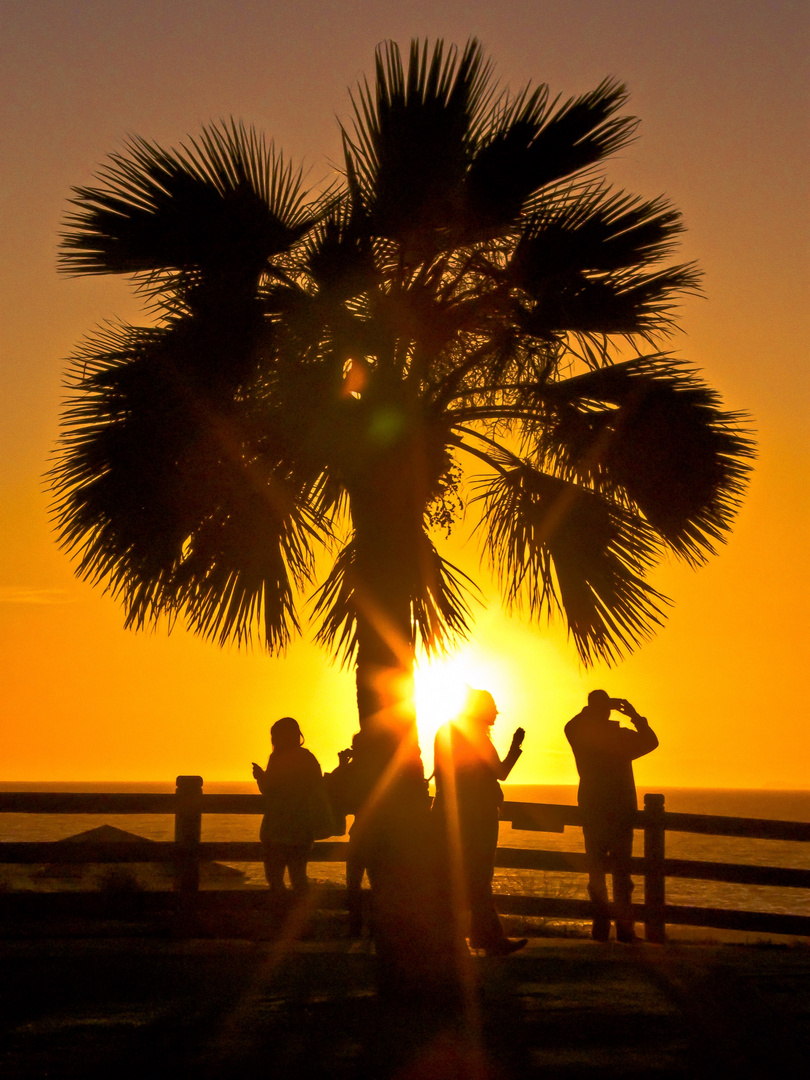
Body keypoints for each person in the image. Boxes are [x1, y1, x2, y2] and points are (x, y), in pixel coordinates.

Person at [432, 687, 528, 956]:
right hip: (477, 816)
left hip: (448, 813)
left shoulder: (446, 731)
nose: (495, 714)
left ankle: (462, 937)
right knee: (479, 877)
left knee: (452, 876)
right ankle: (488, 938)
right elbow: (501, 772)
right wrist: (515, 746)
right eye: (492, 709)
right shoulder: (474, 736)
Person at [565, 690, 658, 942]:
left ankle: (601, 929)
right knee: (621, 874)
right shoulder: (618, 737)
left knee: (597, 874)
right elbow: (651, 741)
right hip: (619, 810)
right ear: (607, 710)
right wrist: (634, 716)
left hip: (593, 807)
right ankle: (625, 931)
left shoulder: (581, 734)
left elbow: (571, 726)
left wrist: (596, 708)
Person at [252, 716, 323, 897]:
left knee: (275, 879)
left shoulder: (277, 758)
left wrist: (260, 777)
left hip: (276, 828)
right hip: (302, 828)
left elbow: (270, 790)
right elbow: (316, 787)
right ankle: (299, 918)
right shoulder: (307, 758)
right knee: (299, 877)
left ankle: (281, 915)